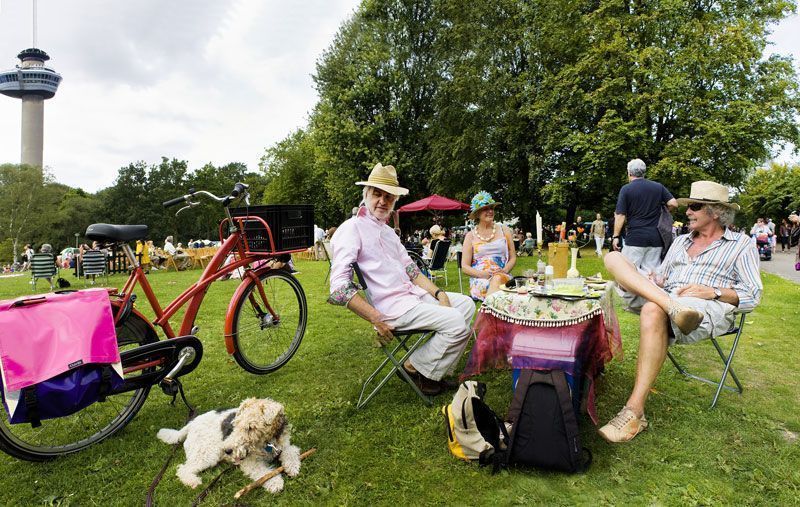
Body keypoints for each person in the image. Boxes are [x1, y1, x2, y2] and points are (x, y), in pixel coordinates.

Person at [599, 181, 762, 443]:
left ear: (716, 212)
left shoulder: (741, 244)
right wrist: (655, 279)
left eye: (695, 207)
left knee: (653, 308)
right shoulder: (680, 241)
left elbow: (753, 294)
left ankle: (634, 411)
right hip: (669, 297)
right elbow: (663, 276)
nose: (687, 212)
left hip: (705, 307)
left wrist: (714, 292)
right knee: (613, 258)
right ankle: (670, 306)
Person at [328, 163, 475, 396]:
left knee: (466, 305)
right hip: (392, 308)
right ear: (366, 194)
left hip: (413, 298)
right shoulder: (352, 228)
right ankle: (413, 367)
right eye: (377, 194)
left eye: (389, 197)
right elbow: (338, 288)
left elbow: (411, 270)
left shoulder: (388, 232)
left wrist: (439, 293)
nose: (383, 201)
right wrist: (375, 318)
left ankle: (428, 372)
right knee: (456, 321)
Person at [613, 158, 678, 310]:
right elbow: (673, 203)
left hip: (636, 237)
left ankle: (631, 304)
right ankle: (653, 303)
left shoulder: (626, 189)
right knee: (652, 273)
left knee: (628, 272)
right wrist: (664, 211)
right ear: (644, 172)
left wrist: (616, 236)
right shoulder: (657, 187)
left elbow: (620, 215)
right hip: (656, 237)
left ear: (629, 173)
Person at [461, 191, 515, 301]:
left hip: (502, 275)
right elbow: (465, 267)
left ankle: (486, 311)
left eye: (492, 208)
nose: (490, 211)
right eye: (486, 209)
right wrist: (482, 274)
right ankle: (491, 309)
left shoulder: (505, 230)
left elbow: (513, 257)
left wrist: (505, 270)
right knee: (494, 285)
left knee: (497, 279)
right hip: (480, 279)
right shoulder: (470, 236)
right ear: (477, 214)